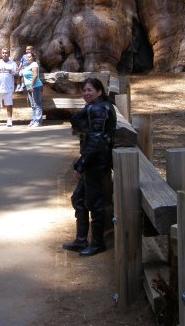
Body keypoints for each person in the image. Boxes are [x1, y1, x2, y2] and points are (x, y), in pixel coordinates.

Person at [62, 78, 116, 256]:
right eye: (84, 90)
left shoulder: (98, 108)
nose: (86, 93)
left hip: (96, 162)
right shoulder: (95, 107)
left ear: (99, 91)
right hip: (94, 160)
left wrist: (80, 165)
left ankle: (97, 243)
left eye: (90, 90)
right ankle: (81, 240)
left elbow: (96, 140)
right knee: (79, 199)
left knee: (94, 203)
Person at [19, 51, 43, 127]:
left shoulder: (34, 64)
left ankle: (38, 121)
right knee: (32, 105)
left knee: (37, 104)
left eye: (30, 57)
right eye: (27, 57)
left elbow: (35, 75)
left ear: (33, 57)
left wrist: (32, 85)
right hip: (29, 87)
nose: (28, 58)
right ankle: (33, 120)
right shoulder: (28, 66)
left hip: (36, 86)